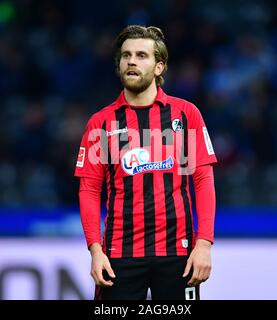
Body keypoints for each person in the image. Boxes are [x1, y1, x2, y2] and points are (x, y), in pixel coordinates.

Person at [74, 25, 217, 300]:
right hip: (119, 256)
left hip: (179, 253)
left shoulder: (186, 114)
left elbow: (203, 180)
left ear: (159, 67)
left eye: (141, 55)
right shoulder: (101, 123)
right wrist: (95, 250)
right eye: (126, 56)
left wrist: (204, 244)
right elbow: (89, 190)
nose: (131, 61)